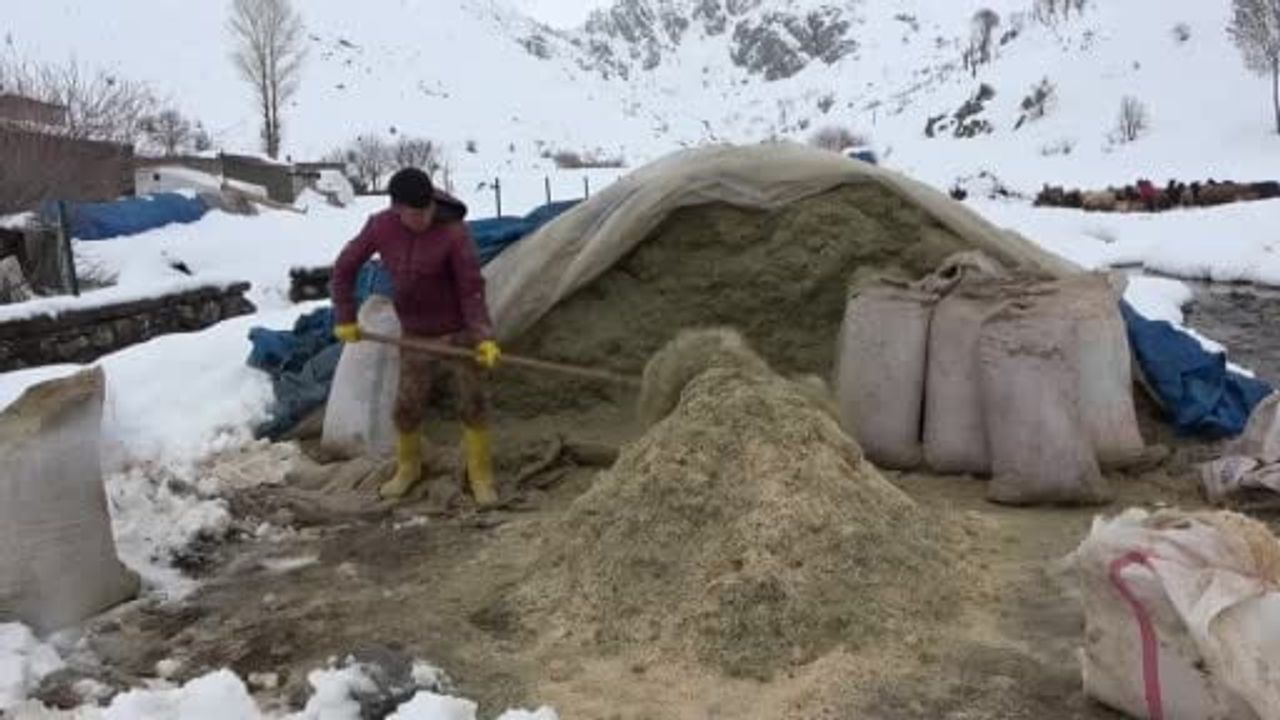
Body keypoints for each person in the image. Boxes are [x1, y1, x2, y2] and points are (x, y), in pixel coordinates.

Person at [330, 168, 502, 506]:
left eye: (428, 210)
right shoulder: (380, 226)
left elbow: (471, 288)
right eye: (415, 213)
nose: (424, 218)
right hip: (414, 336)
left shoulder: (453, 233)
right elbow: (345, 268)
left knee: (473, 403)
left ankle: (481, 475)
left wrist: (482, 336)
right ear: (397, 208)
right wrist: (345, 317)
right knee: (407, 407)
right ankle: (408, 469)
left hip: (458, 333)